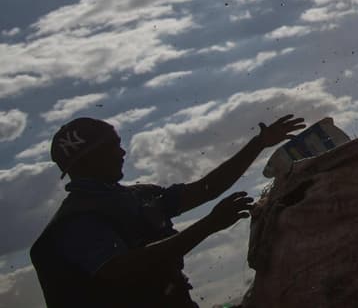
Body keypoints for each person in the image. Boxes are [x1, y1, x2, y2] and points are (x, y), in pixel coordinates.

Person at [30, 112, 306, 307]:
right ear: (90, 158)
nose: (122, 152)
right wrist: (208, 225)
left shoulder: (136, 197)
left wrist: (258, 143)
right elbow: (121, 268)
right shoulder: (76, 223)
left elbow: (206, 189)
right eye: (113, 146)